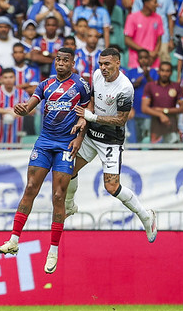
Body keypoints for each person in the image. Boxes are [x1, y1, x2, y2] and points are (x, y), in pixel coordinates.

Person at [0, 48, 91, 275]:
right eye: (58, 60)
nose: (61, 63)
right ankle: (13, 240)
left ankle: (53, 250)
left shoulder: (81, 85)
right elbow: (29, 107)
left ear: (72, 64)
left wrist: (79, 137)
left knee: (58, 196)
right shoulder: (45, 85)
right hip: (45, 142)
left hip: (66, 144)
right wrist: (21, 109)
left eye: (65, 60)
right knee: (30, 187)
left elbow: (87, 113)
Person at [65, 47, 157, 238]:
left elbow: (121, 120)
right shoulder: (97, 75)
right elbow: (91, 102)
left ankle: (145, 216)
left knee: (112, 187)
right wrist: (84, 125)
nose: (103, 68)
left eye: (107, 64)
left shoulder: (125, 88)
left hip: (110, 141)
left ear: (118, 63)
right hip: (91, 136)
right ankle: (69, 206)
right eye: (100, 64)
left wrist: (92, 117)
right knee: (68, 169)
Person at [142, 60, 183, 143]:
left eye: (167, 71)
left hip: (172, 125)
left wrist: (165, 110)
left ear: (171, 73)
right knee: (156, 150)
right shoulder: (150, 86)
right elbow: (144, 108)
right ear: (158, 72)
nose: (164, 74)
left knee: (174, 150)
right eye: (162, 70)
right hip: (156, 127)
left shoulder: (177, 87)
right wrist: (160, 115)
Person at [0, 67, 28, 144]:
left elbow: (32, 109)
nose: (8, 80)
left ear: (15, 78)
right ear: (1, 79)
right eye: (5, 78)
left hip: (16, 137)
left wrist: (17, 113)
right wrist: (11, 112)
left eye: (11, 77)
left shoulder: (22, 93)